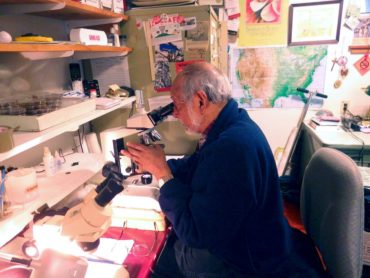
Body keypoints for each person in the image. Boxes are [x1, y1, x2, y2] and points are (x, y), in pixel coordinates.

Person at [122, 62, 325, 277]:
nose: (175, 113)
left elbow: (196, 234)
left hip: (246, 260)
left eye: (177, 104)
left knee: (157, 258)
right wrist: (154, 165)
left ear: (201, 100)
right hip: (263, 239)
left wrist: (163, 174)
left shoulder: (230, 148)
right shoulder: (234, 124)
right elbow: (197, 165)